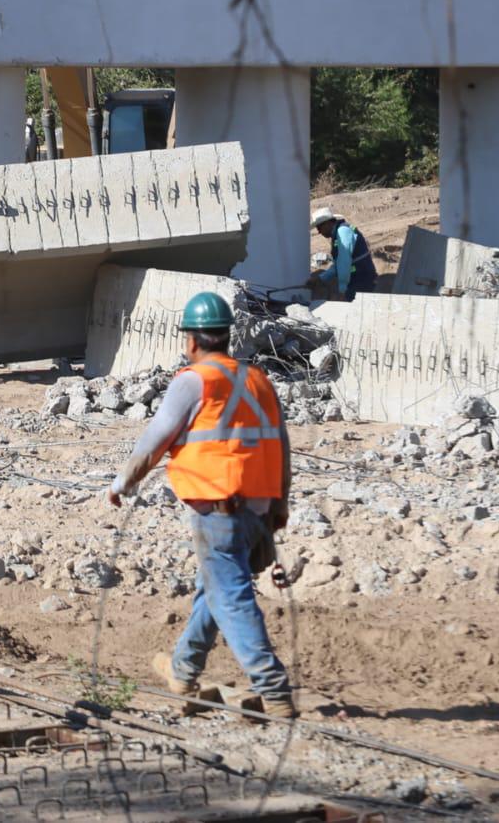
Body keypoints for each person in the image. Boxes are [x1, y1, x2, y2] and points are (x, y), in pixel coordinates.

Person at [106, 291, 296, 719]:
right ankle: (184, 669)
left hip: (217, 507)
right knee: (214, 588)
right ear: (228, 337)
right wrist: (279, 506)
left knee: (230, 595)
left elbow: (154, 443)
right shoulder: (259, 381)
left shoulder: (193, 381)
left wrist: (122, 483)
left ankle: (274, 688)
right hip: (260, 508)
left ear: (191, 341)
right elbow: (281, 448)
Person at [308, 207, 377, 301]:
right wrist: (321, 279)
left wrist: (342, 290)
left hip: (361, 280)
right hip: (357, 279)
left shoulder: (342, 232)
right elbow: (338, 264)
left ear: (328, 223)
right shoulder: (339, 232)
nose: (319, 232)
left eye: (319, 228)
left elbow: (343, 263)